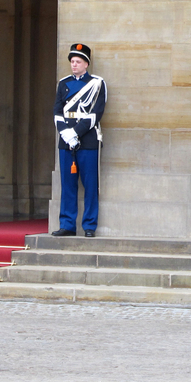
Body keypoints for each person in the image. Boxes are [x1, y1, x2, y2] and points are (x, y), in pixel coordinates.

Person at [52, 43, 107, 238]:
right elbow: (57, 112)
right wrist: (65, 133)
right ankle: (67, 224)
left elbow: (96, 113)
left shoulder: (97, 83)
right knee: (67, 183)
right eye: (72, 61)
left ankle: (89, 225)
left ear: (86, 64)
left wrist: (76, 132)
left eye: (78, 61)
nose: (74, 65)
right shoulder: (63, 83)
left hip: (88, 140)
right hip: (66, 140)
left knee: (91, 184)